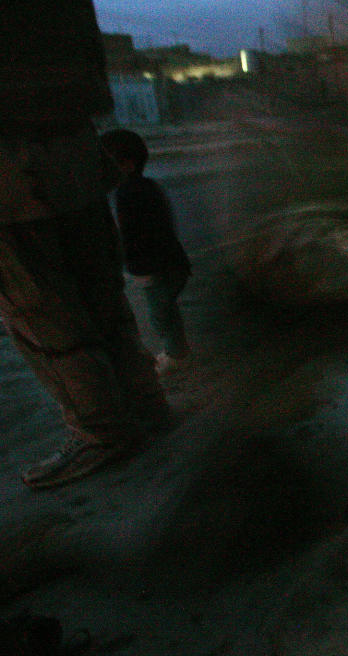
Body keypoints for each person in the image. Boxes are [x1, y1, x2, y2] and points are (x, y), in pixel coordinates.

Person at [0, 2, 170, 489]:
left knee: (44, 314)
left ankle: (103, 433)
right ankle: (146, 406)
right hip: (74, 148)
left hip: (13, 169)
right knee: (102, 298)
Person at [100, 128, 192, 375]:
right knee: (166, 311)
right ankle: (177, 350)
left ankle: (177, 355)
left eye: (105, 163)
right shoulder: (144, 186)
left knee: (161, 315)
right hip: (170, 263)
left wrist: (134, 264)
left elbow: (136, 236)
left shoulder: (128, 193)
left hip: (157, 268)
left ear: (127, 165)